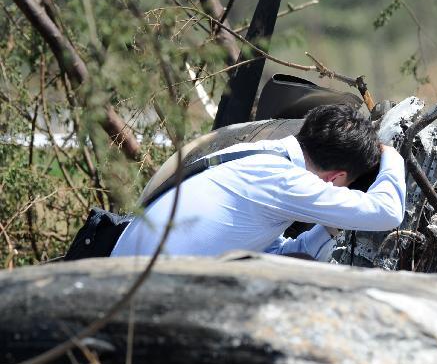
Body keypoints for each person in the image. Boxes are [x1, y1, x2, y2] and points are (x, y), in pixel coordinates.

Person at [111, 103, 406, 259]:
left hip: (119, 282)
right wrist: (392, 155)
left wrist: (327, 229)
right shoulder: (286, 180)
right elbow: (388, 212)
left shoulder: (256, 154)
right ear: (335, 178)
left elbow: (275, 256)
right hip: (139, 306)